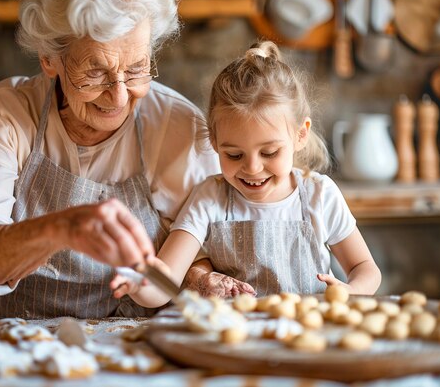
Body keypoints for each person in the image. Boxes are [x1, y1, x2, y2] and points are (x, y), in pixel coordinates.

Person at [0, 0, 221, 320]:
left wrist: (203, 281)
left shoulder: (178, 127)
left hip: (130, 349)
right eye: (96, 72)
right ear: (50, 59)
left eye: (137, 68)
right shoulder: (7, 112)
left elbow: (198, 250)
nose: (120, 95)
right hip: (13, 338)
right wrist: (60, 228)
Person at [112, 41, 382, 307]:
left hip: (306, 339)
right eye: (234, 155)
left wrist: (350, 291)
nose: (252, 168)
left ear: (300, 134)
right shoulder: (209, 198)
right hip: (235, 343)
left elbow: (366, 269)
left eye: (269, 153)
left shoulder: (319, 195)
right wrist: (140, 283)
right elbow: (166, 282)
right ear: (215, 142)